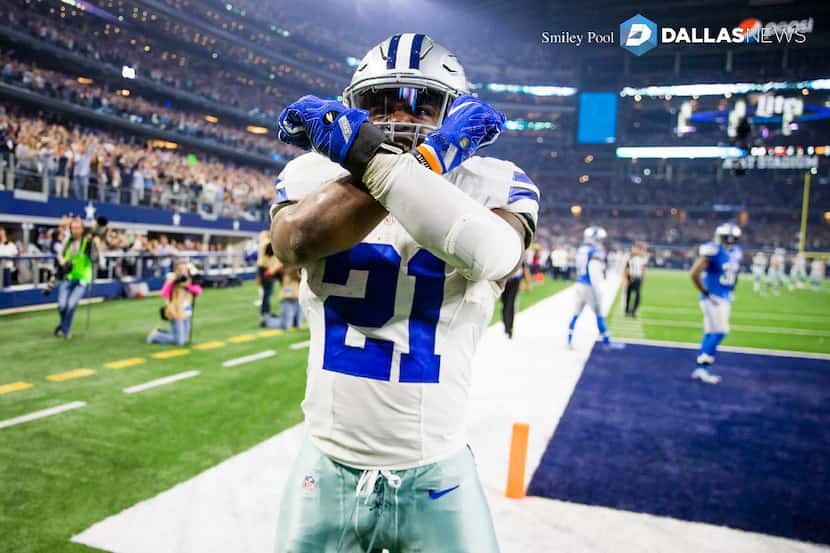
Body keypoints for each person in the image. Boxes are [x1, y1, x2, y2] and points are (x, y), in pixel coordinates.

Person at [270, 34, 537, 553]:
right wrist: (426, 159)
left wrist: (385, 160)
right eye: (380, 101)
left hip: (435, 465)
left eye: (421, 100)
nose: (400, 113)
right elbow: (294, 241)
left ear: (452, 108)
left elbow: (493, 254)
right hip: (328, 460)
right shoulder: (310, 173)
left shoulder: (496, 180)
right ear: (355, 106)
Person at [689, 222, 743, 384]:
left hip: (722, 297)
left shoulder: (736, 253)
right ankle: (703, 367)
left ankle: (701, 367)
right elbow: (693, 273)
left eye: (732, 238)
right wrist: (706, 293)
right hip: (714, 298)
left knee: (710, 332)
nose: (730, 240)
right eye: (727, 237)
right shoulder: (714, 251)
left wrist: (731, 290)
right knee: (721, 331)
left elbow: (735, 275)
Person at [567, 226, 623, 350]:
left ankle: (569, 340)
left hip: (579, 284)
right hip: (589, 286)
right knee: (599, 315)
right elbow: (593, 271)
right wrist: (596, 288)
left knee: (575, 314)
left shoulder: (581, 249)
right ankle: (607, 342)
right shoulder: (596, 250)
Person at [54, 217, 100, 339]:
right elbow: (60, 254)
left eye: (78, 228)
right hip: (68, 277)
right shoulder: (67, 241)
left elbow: (95, 259)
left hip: (82, 280)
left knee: (71, 305)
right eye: (73, 228)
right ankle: (62, 326)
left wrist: (95, 248)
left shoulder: (88, 243)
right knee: (62, 305)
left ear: (82, 229)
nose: (75, 230)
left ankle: (65, 330)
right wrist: (62, 261)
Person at [147, 260, 202, 346]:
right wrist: (170, 282)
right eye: (180, 269)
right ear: (176, 270)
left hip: (186, 311)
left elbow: (198, 291)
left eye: (184, 269)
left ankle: (161, 331)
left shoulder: (191, 280)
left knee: (185, 339)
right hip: (175, 311)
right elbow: (164, 293)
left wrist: (187, 286)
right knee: (180, 342)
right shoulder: (172, 280)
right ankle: (155, 336)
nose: (182, 271)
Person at [256, 229, 283, 323]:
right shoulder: (267, 243)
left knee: (268, 292)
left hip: (264, 268)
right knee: (267, 292)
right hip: (266, 269)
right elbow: (271, 252)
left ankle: (266, 312)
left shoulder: (263, 242)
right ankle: (265, 314)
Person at [500, 263, 529, 339]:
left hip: (515, 281)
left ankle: (509, 327)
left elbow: (524, 268)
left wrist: (527, 282)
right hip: (505, 280)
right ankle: (506, 323)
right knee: (505, 303)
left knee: (510, 303)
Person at [624, 243, 647, 317]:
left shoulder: (642, 258)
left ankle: (634, 311)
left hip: (637, 278)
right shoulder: (629, 257)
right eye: (634, 248)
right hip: (630, 277)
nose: (635, 250)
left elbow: (643, 269)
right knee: (628, 295)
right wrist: (625, 279)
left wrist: (644, 279)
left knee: (637, 296)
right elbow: (626, 269)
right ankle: (627, 311)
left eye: (636, 248)